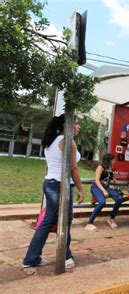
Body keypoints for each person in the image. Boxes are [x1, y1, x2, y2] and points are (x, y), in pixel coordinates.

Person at [23, 114, 84, 269]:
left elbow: (51, 165)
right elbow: (73, 168)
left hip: (50, 182)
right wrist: (81, 190)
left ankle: (31, 258)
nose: (78, 127)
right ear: (67, 125)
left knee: (49, 221)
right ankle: (66, 256)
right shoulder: (67, 141)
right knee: (65, 221)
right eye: (76, 124)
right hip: (60, 185)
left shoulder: (51, 140)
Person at [85, 153, 124, 231]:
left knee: (119, 199)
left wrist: (113, 179)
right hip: (97, 187)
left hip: (107, 188)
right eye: (113, 160)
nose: (114, 161)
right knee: (102, 202)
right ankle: (89, 223)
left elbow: (108, 178)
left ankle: (111, 219)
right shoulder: (100, 167)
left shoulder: (110, 168)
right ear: (109, 160)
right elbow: (96, 180)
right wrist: (103, 191)